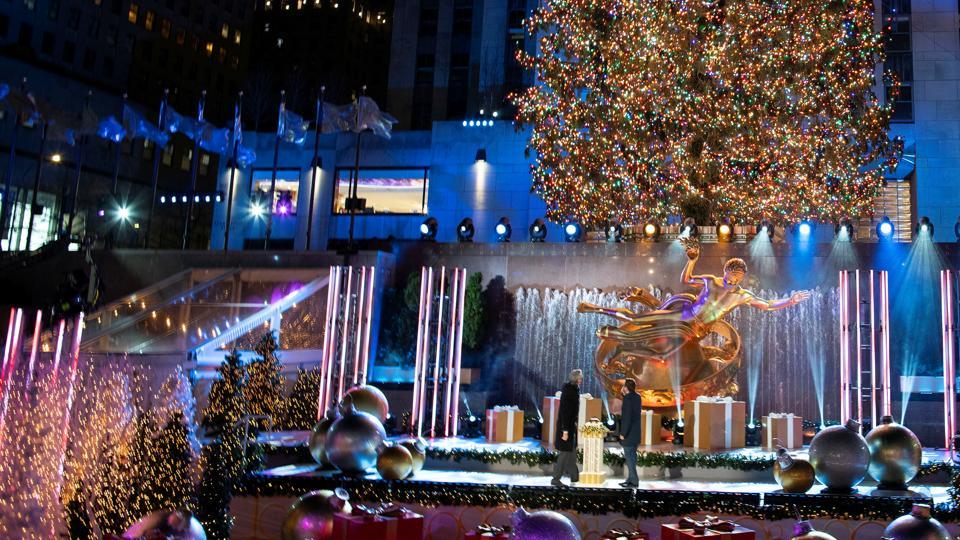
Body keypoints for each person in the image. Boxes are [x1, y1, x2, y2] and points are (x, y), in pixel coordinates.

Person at [552, 368, 582, 487]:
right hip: (566, 427)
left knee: (572, 451)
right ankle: (556, 478)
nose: (581, 379)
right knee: (565, 452)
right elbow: (565, 412)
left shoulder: (574, 389)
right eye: (580, 377)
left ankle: (575, 477)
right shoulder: (569, 391)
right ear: (575, 378)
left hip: (570, 426)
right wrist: (565, 430)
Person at [618, 378, 641, 487]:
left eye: (623, 386)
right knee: (632, 457)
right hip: (636, 433)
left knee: (630, 458)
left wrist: (623, 433)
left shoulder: (627, 399)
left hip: (629, 434)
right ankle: (630, 479)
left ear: (626, 388)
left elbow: (627, 418)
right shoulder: (637, 397)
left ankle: (634, 481)